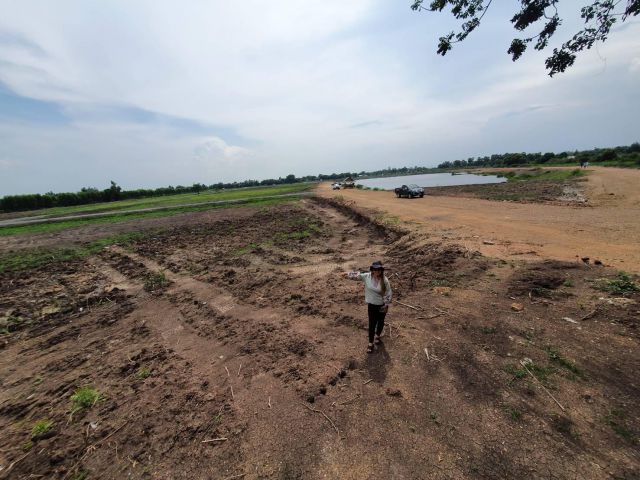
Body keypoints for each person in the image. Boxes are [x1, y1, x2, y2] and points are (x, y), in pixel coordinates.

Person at [343, 261, 393, 353]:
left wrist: (386, 305)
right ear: (372, 270)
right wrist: (346, 274)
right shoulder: (367, 276)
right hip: (371, 305)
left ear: (381, 270)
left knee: (381, 322)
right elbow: (357, 275)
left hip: (382, 305)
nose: (376, 271)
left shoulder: (385, 280)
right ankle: (370, 343)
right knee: (372, 324)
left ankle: (377, 336)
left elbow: (388, 293)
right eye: (375, 269)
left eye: (378, 269)